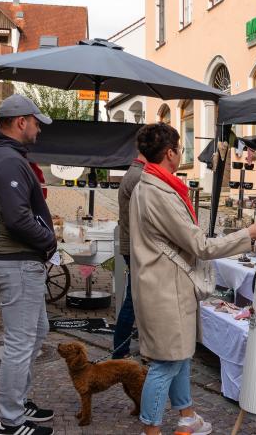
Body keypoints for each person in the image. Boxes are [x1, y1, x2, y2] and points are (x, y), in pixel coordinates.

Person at [130, 123, 256, 435]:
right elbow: (201, 246)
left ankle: (187, 417)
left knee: (178, 356)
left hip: (167, 284)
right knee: (164, 363)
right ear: (170, 153)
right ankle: (150, 431)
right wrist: (247, 235)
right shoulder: (157, 192)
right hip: (164, 288)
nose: (182, 154)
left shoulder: (154, 184)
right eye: (180, 148)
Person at [0, 94, 59, 435]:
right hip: (17, 261)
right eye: (36, 121)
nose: (39, 128)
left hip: (18, 260)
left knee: (36, 332)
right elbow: (16, 218)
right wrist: (48, 240)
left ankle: (19, 404)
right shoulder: (7, 160)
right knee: (20, 341)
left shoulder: (2, 156)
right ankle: (10, 422)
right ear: (21, 121)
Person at [113, 152, 146, 360]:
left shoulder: (136, 173)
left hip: (132, 245)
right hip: (135, 247)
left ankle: (122, 349)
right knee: (133, 301)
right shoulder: (138, 177)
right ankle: (120, 351)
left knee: (135, 300)